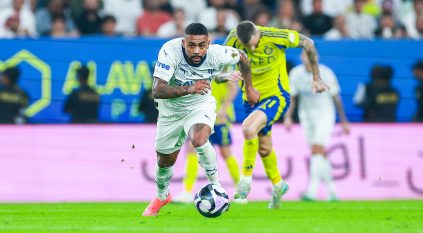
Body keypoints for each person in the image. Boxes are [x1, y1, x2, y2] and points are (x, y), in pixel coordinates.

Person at [142, 23, 259, 217]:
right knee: (164, 162)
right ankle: (162, 196)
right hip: (170, 112)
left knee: (199, 138)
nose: (197, 50)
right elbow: (157, 90)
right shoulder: (170, 51)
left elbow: (243, 57)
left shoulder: (217, 54)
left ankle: (216, 186)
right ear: (184, 42)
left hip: (200, 105)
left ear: (208, 44)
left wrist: (249, 88)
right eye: (191, 45)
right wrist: (188, 88)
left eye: (202, 45)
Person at [223, 21, 329, 208]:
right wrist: (226, 75)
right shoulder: (232, 39)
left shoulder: (276, 36)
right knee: (264, 148)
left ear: (258, 32)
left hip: (276, 96)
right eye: (247, 47)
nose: (252, 48)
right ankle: (279, 185)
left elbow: (308, 43)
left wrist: (316, 76)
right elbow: (219, 68)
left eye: (254, 43)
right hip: (251, 100)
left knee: (248, 128)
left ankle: (244, 182)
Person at [284, 51, 350, 201]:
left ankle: (311, 191)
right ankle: (332, 191)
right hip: (306, 117)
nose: (307, 58)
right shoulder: (296, 74)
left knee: (316, 148)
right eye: (304, 55)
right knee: (319, 153)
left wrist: (344, 121)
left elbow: (336, 98)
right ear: (301, 57)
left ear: (316, 57)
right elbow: (292, 98)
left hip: (325, 115)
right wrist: (288, 117)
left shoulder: (326, 73)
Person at [172, 78, 241, 203]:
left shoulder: (217, 64)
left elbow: (232, 87)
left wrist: (224, 107)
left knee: (226, 152)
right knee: (191, 149)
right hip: (201, 116)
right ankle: (187, 191)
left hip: (220, 118)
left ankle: (241, 191)